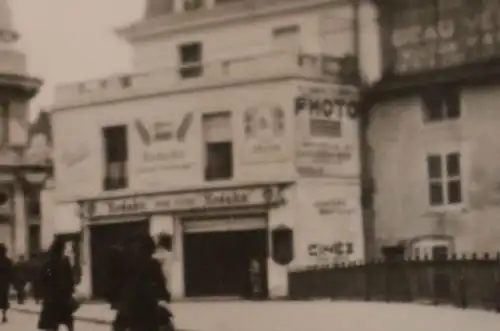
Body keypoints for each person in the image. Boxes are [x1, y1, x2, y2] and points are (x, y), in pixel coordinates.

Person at [118, 234, 172, 331]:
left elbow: (123, 283)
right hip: (149, 306)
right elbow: (160, 282)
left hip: (132, 305)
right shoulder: (153, 264)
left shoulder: (129, 263)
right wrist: (165, 296)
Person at [37, 237, 78, 331]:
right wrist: (70, 291)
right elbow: (70, 280)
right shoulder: (64, 263)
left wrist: (43, 293)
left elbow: (42, 279)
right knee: (67, 320)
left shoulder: (47, 264)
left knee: (52, 322)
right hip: (63, 297)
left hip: (51, 298)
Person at [0, 243, 13, 323]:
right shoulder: (8, 261)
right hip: (5, 283)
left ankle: (4, 315)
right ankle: (4, 315)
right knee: (4, 299)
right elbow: (11, 272)